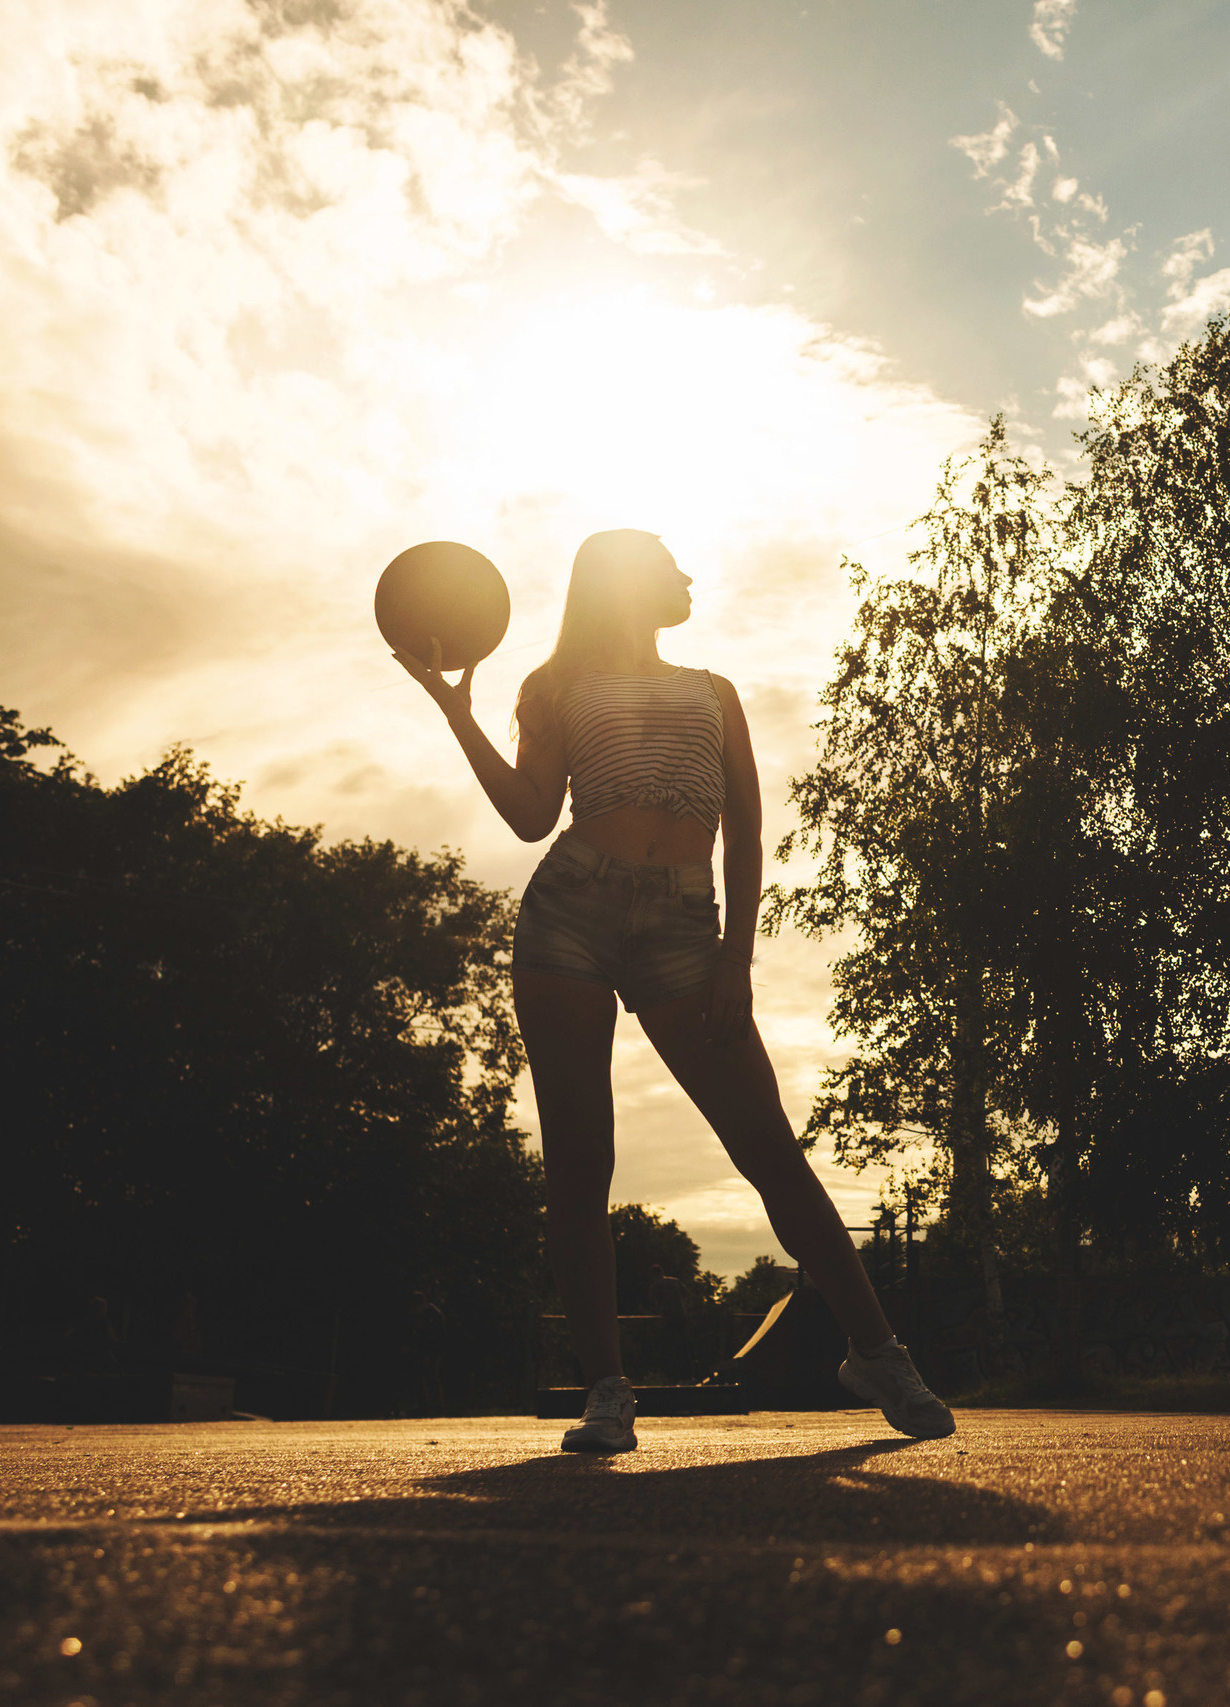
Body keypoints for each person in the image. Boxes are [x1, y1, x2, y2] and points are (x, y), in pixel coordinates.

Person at [393, 528, 952, 1451]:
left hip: (686, 930)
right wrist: (456, 711)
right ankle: (608, 1389)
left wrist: (737, 955)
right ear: (623, 585)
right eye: (668, 562)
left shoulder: (713, 692)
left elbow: (745, 832)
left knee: (770, 1151)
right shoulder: (552, 689)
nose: (688, 573)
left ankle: (878, 1351)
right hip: (568, 915)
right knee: (581, 1160)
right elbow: (533, 817)